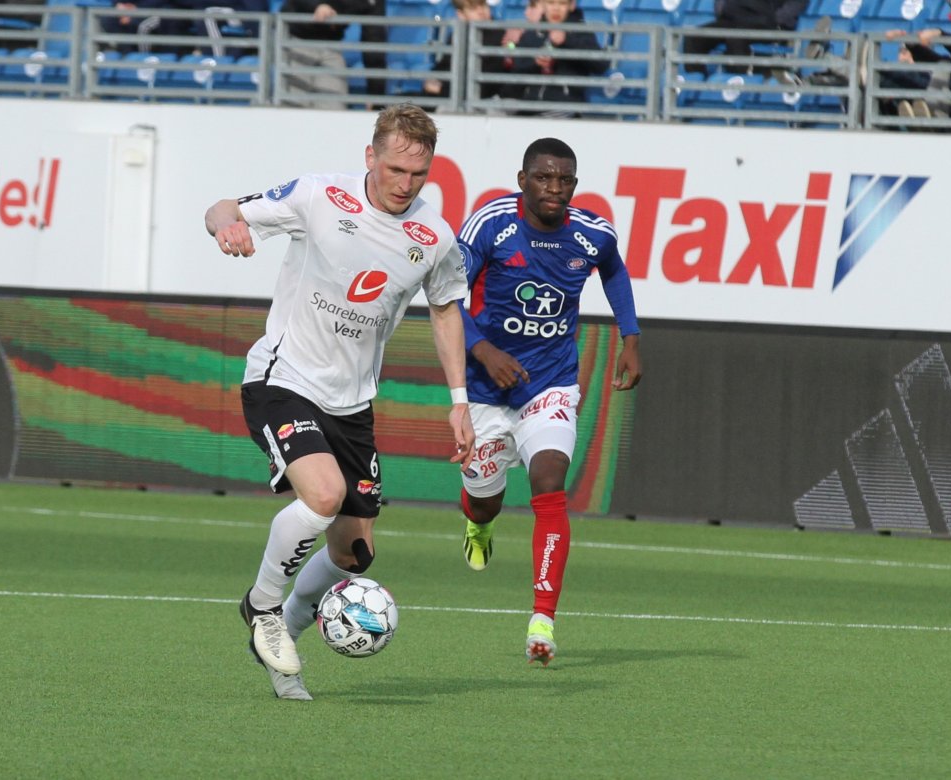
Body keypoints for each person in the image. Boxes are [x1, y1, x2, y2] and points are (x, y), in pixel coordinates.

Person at [204, 104, 476, 700]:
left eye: (419, 174)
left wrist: (460, 400)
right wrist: (227, 227)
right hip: (283, 378)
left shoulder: (434, 237)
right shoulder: (318, 196)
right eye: (396, 169)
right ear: (370, 156)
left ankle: (283, 639)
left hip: (352, 404)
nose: (406, 184)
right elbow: (223, 208)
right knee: (323, 495)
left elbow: (445, 309)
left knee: (354, 554)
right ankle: (263, 607)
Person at [456, 137, 641, 666]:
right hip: (485, 388)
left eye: (564, 180)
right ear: (523, 180)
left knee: (550, 479)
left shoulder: (592, 233)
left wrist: (631, 338)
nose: (554, 188)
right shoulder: (490, 225)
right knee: (485, 499)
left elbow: (614, 270)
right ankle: (479, 524)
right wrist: (484, 351)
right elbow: (446, 295)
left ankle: (542, 619)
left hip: (551, 383)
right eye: (543, 177)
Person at [278, 0, 382, 109]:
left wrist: (376, 93)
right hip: (295, 41)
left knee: (334, 109)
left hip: (333, 47)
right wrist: (317, 5)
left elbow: (374, 39)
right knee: (292, 109)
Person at [509, 0, 608, 112]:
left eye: (562, 3)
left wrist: (567, 40)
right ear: (543, 5)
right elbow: (517, 67)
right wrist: (535, 62)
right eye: (551, 3)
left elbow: (601, 66)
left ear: (571, 5)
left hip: (565, 106)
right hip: (529, 105)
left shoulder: (581, 32)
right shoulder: (534, 32)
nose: (556, 9)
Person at [887, 0, 951, 121]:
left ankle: (929, 118)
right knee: (941, 67)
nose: (950, 9)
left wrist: (940, 34)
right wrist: (911, 44)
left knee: (934, 72)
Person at [419, 0, 513, 102]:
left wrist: (441, 89)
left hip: (479, 101)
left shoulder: (502, 37)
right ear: (461, 15)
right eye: (473, 9)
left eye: (483, 5)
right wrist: (432, 80)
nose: (481, 11)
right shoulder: (458, 36)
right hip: (450, 96)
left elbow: (486, 84)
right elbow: (444, 66)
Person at [681, 0, 808, 75]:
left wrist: (775, 20)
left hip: (764, 23)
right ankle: (694, 89)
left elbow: (797, 4)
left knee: (736, 37)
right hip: (731, 19)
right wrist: (722, 8)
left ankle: (738, 85)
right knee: (694, 37)